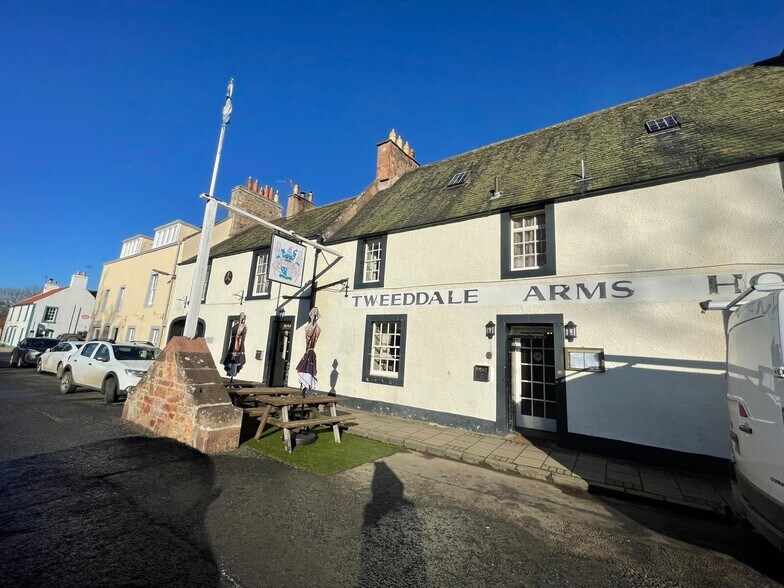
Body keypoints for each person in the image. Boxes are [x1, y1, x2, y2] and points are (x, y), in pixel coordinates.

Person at [222, 312, 247, 378]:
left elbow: (243, 334)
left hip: (240, 346)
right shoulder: (235, 327)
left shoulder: (244, 327)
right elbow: (235, 334)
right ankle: (231, 370)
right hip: (234, 346)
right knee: (232, 358)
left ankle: (234, 370)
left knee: (237, 359)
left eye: (243, 318)